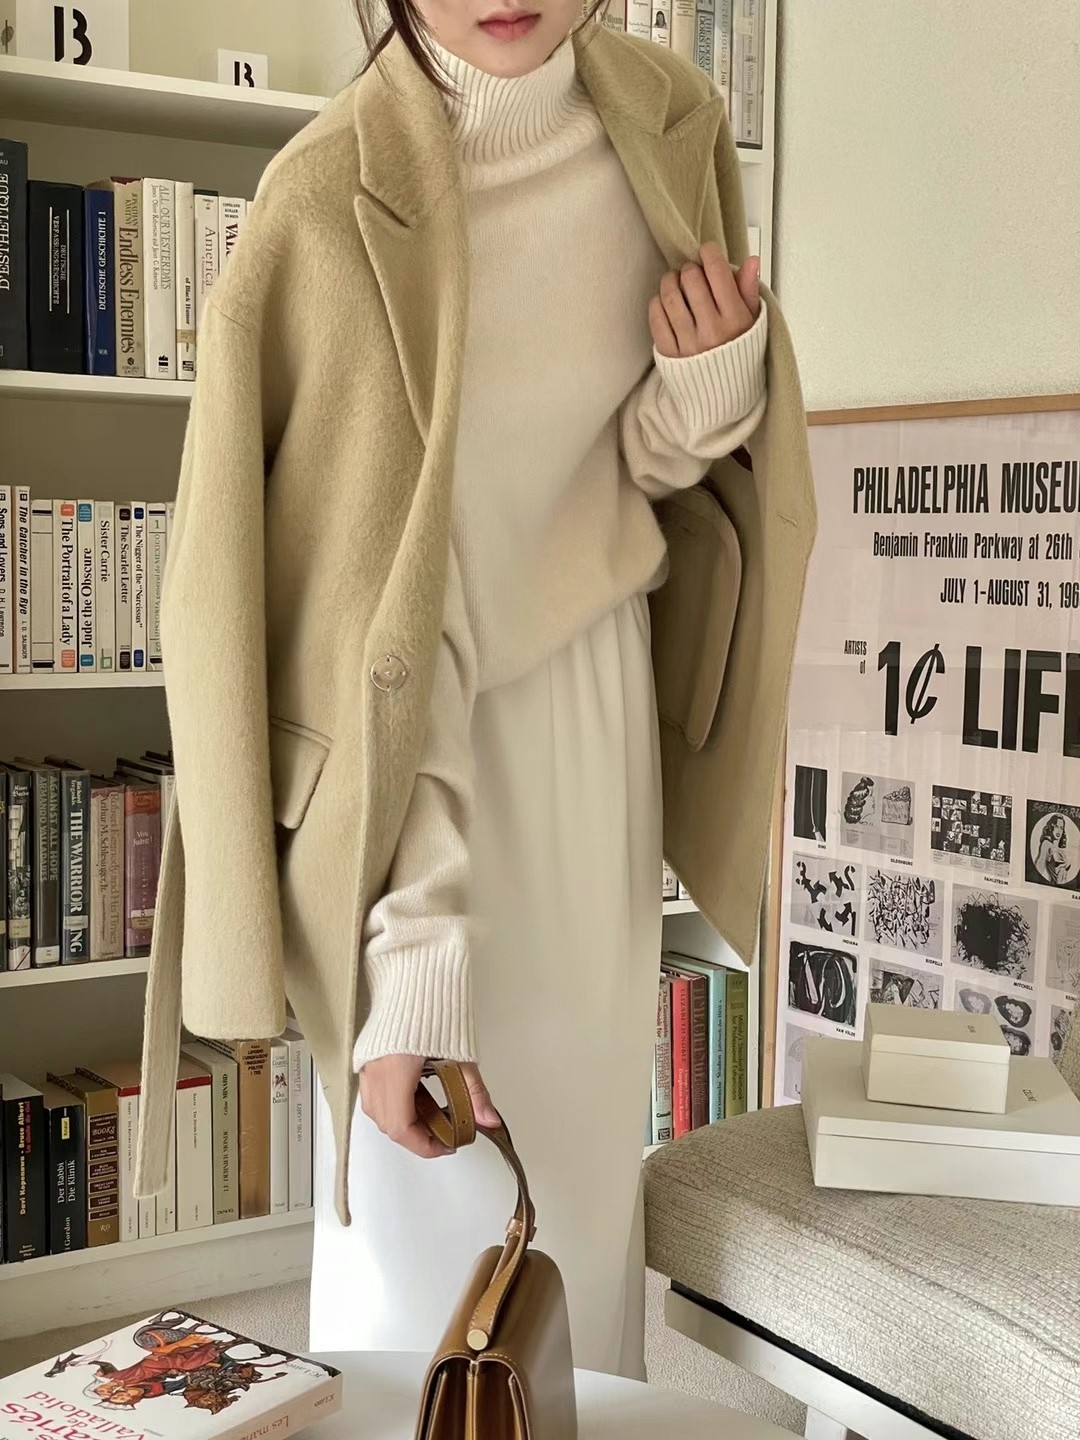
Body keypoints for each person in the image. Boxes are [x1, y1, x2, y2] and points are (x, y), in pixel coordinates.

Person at [132, 0, 816, 1384]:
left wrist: (701, 398)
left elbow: (616, 482)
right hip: (405, 775)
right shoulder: (323, 201)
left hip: (594, 717)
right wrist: (411, 950)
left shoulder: (672, 127)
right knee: (420, 1245)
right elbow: (363, 624)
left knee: (576, 1217)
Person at [1035, 813, 1069, 885]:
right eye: (1056, 826)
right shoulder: (1046, 844)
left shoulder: (1061, 851)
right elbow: (1039, 865)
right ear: (1051, 827)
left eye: (1061, 828)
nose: (1059, 830)